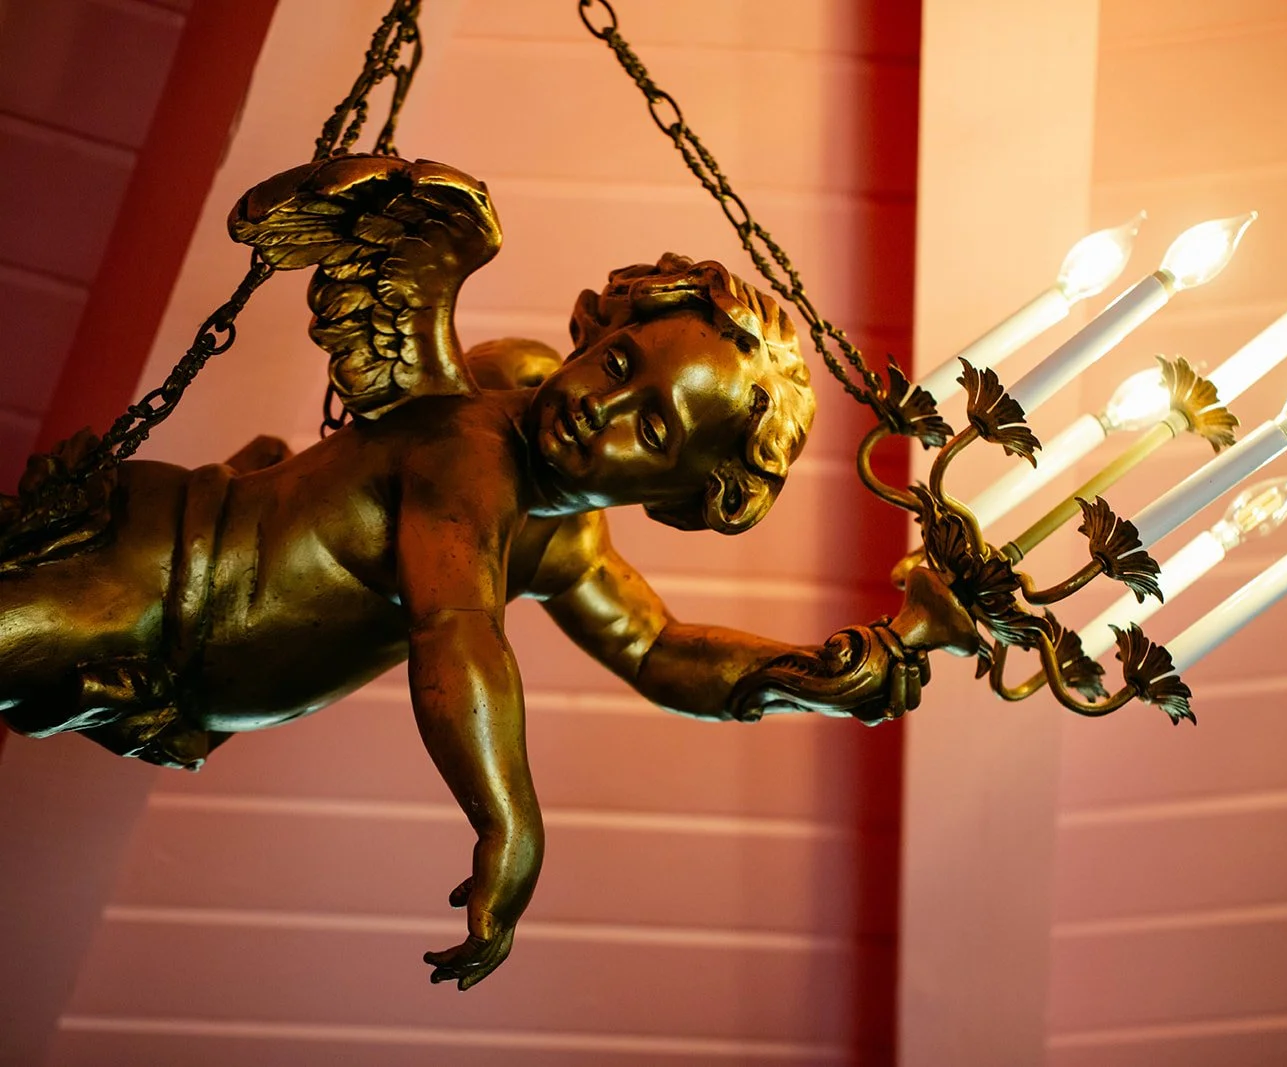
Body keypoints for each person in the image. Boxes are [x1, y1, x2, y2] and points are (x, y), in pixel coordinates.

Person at [0, 157, 960, 990]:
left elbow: (660, 652)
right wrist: (510, 820)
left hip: (173, 672)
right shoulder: (473, 447)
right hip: (149, 573)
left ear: (674, 494)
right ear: (592, 331)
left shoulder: (558, 546)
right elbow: (456, 630)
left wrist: (835, 672)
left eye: (653, 427)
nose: (602, 406)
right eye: (619, 359)